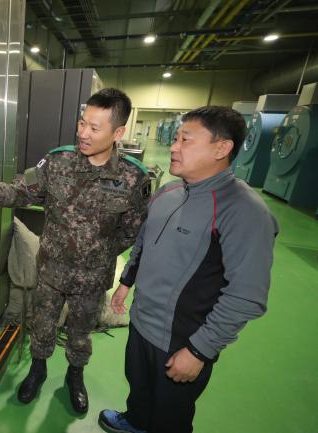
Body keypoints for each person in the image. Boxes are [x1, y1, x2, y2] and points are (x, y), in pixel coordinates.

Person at [0, 88, 150, 413]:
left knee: (81, 333)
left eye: (94, 128)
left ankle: (75, 376)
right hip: (50, 272)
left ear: (118, 132)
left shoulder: (132, 178)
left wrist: (96, 253)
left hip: (93, 278)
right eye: (82, 123)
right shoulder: (57, 161)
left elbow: (132, 230)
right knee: (41, 324)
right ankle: (38, 370)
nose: (84, 133)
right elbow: (21, 190)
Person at [98, 106, 279, 433]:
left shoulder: (244, 212)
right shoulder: (169, 191)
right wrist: (127, 281)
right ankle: (136, 420)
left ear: (221, 149)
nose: (174, 146)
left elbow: (247, 296)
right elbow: (144, 239)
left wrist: (200, 350)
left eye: (186, 140)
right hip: (141, 323)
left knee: (171, 416)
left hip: (181, 340)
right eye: (176, 138)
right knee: (139, 387)